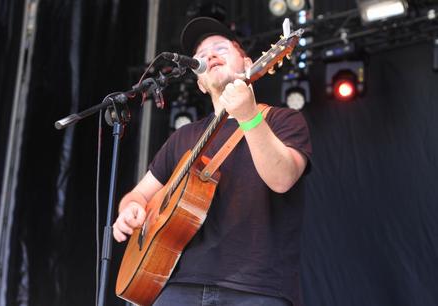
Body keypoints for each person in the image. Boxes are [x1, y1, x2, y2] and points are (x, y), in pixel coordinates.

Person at [113, 17, 312, 306]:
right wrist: (129, 209)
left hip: (257, 289)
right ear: (201, 84)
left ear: (247, 63)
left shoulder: (283, 120)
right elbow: (139, 195)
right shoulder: (184, 136)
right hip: (176, 286)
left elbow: (282, 179)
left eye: (221, 48)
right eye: (201, 57)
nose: (210, 56)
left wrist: (248, 117)